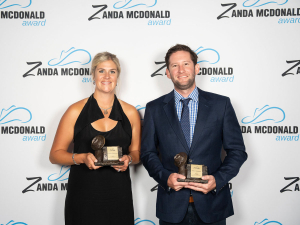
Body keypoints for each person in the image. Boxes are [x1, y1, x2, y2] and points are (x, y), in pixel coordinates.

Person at [141, 44, 247, 225]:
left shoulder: (221, 104)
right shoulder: (154, 108)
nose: (181, 70)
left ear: (197, 68)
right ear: (167, 72)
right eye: (174, 66)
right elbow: (147, 153)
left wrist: (218, 180)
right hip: (172, 207)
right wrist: (165, 177)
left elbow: (237, 151)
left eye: (186, 64)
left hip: (212, 205)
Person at [49, 52, 141, 225]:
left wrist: (129, 158)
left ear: (118, 76)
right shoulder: (75, 111)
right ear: (93, 75)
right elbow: (55, 155)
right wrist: (81, 158)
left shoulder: (130, 113)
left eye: (112, 71)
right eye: (101, 71)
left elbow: (136, 152)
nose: (107, 76)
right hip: (82, 197)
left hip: (119, 198)